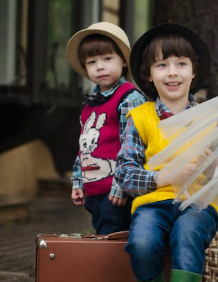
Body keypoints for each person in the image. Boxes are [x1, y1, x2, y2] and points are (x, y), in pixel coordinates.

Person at [111, 23, 218, 282]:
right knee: (143, 244)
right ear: (148, 74)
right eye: (162, 65)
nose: (172, 73)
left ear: (194, 71)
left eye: (181, 64)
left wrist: (213, 167)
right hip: (152, 204)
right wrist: (165, 177)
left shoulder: (210, 118)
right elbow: (125, 172)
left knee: (188, 233)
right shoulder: (140, 118)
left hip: (198, 203)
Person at [66, 22, 145, 235]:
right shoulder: (90, 104)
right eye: (92, 62)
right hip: (94, 192)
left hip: (117, 194)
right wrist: (78, 182)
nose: (100, 66)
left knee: (113, 240)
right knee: (103, 237)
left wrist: (121, 187)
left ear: (124, 62)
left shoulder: (128, 97)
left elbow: (133, 147)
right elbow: (84, 149)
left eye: (107, 59)